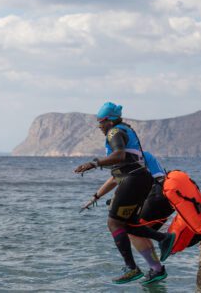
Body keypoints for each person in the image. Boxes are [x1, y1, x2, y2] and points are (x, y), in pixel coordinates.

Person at [74, 102, 174, 285]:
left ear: (109, 121)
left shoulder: (114, 132)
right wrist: (95, 197)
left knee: (113, 223)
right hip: (139, 180)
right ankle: (164, 238)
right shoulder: (124, 130)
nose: (99, 127)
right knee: (128, 224)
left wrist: (94, 163)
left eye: (101, 122)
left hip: (134, 181)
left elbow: (119, 155)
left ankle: (132, 268)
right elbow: (117, 173)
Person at [81, 151, 170, 285]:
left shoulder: (128, 156)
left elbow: (117, 179)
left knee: (130, 227)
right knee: (133, 227)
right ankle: (157, 264)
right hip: (162, 192)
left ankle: (156, 266)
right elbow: (117, 179)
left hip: (156, 193)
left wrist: (97, 197)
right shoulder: (136, 154)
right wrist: (96, 197)